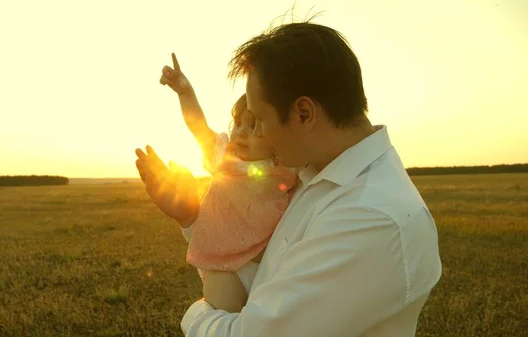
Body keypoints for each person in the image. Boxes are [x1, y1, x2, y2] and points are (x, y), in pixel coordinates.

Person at [135, 20, 442, 337]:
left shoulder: (371, 218)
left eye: (260, 120)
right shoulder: (316, 177)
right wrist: (190, 217)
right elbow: (266, 277)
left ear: (304, 114)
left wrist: (197, 314)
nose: (259, 135)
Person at [158, 53, 299, 313]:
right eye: (237, 123)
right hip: (222, 266)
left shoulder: (285, 164)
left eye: (254, 124)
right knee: (227, 318)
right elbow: (197, 125)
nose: (241, 131)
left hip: (266, 267)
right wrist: (184, 92)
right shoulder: (223, 156)